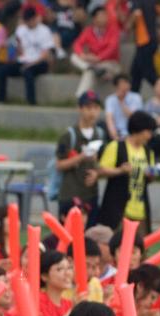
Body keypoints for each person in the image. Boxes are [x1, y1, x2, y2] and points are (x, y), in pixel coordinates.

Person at [96, 110, 157, 232]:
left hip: (140, 211)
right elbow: (101, 170)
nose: (149, 136)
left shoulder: (148, 152)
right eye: (148, 132)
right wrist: (120, 170)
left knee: (140, 249)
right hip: (118, 210)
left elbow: (150, 178)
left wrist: (151, 175)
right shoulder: (116, 146)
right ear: (138, 129)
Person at [54, 91, 109, 221]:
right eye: (88, 108)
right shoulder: (69, 136)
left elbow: (104, 164)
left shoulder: (100, 134)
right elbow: (59, 165)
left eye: (96, 108)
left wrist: (97, 174)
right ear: (80, 109)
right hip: (70, 195)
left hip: (91, 195)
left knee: (89, 237)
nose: (92, 112)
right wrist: (81, 157)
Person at [5, 5, 53, 106]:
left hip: (40, 62)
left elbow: (45, 54)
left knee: (28, 72)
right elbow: (16, 48)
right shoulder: (21, 30)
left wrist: (31, 64)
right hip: (24, 61)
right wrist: (12, 56)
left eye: (30, 20)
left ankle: (31, 102)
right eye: (26, 20)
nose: (28, 23)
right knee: (2, 71)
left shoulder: (45, 31)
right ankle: (1, 100)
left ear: (35, 18)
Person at [69, 4, 121, 96]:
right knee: (74, 57)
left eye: (105, 15)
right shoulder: (89, 30)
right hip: (93, 63)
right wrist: (82, 55)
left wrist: (98, 58)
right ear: (94, 19)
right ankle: (89, 68)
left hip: (109, 63)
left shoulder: (113, 30)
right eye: (101, 15)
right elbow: (77, 44)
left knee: (90, 73)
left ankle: (81, 98)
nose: (105, 17)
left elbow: (112, 48)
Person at [104, 74, 144, 141]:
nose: (124, 86)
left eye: (126, 83)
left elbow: (134, 117)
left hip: (132, 134)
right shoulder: (110, 99)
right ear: (116, 86)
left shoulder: (136, 98)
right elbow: (109, 119)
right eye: (121, 84)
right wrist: (115, 136)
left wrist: (121, 101)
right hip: (117, 134)